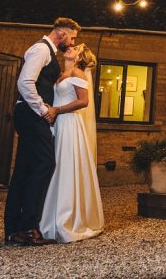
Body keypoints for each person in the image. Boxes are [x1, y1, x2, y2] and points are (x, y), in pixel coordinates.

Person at [4, 17, 79, 247]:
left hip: (28, 114)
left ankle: (15, 230)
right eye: (73, 37)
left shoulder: (49, 52)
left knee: (25, 170)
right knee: (45, 164)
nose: (73, 42)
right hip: (31, 114)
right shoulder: (40, 49)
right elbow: (25, 82)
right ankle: (28, 227)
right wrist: (43, 109)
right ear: (63, 34)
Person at [40, 44, 104, 243]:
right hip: (57, 123)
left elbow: (83, 101)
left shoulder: (77, 72)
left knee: (65, 166)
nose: (69, 48)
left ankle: (65, 219)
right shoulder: (61, 74)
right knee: (54, 165)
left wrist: (57, 110)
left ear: (79, 56)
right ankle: (49, 216)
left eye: (75, 48)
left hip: (69, 124)